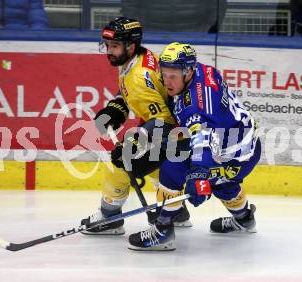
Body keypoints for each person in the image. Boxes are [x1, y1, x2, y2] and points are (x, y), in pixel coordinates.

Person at [128, 42, 261, 251]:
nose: (167, 81)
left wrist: (198, 173)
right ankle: (244, 219)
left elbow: (204, 139)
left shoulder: (198, 106)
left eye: (173, 76)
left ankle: (162, 230)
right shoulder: (203, 71)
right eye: (165, 74)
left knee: (172, 167)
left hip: (227, 154)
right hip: (244, 148)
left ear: (188, 72)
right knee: (223, 185)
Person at [80, 18, 192, 236]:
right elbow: (130, 94)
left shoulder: (139, 76)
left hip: (174, 134)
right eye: (107, 45)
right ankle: (175, 210)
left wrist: (133, 143)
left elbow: (163, 121)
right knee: (154, 168)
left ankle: (110, 218)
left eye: (114, 46)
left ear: (130, 45)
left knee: (120, 164)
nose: (109, 51)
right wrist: (114, 110)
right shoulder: (139, 58)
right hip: (176, 132)